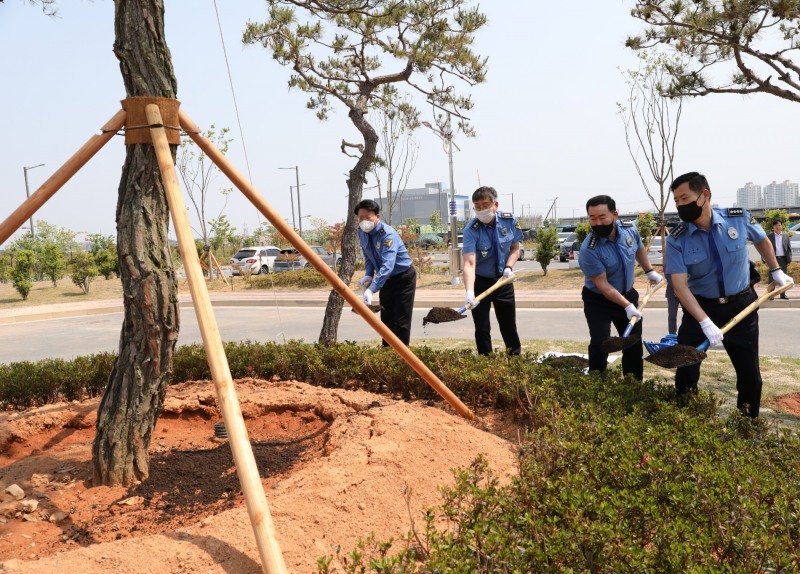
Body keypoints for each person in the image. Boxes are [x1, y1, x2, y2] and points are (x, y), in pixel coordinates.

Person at [666, 172, 794, 418]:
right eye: (676, 201)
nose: (680, 205)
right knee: (686, 372)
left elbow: (762, 241)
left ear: (704, 195)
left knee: (750, 376)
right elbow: (680, 286)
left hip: (741, 306)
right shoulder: (677, 239)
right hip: (699, 308)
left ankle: (746, 428)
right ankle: (685, 424)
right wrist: (704, 321)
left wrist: (776, 270)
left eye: (684, 198)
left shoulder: (737, 218)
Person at [578, 195, 662, 381]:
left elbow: (639, 248)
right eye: (592, 218)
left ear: (615, 215)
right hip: (598, 299)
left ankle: (632, 386)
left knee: (633, 343)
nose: (597, 223)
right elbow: (604, 286)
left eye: (602, 217)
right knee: (601, 342)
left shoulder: (629, 229)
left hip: (627, 294)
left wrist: (649, 271)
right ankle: (597, 385)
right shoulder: (589, 249)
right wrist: (627, 306)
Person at [461, 186, 522, 355]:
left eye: (485, 205)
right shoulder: (471, 229)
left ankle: (515, 361)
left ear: (495, 204)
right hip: (480, 282)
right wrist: (469, 291)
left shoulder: (509, 221)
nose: (481, 210)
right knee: (481, 328)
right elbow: (469, 263)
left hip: (503, 281)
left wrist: (509, 268)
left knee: (509, 326)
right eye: (477, 207)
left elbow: (515, 248)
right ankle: (485, 364)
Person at [355, 199, 416, 346]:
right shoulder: (361, 232)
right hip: (385, 279)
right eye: (360, 218)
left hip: (403, 278)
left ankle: (403, 358)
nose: (364, 221)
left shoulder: (388, 234)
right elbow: (368, 256)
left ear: (377, 216)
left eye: (367, 217)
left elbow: (388, 265)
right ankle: (388, 356)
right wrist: (368, 274)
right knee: (387, 320)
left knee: (401, 321)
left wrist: (371, 289)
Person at [767, 219, 792, 299]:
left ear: (782, 226)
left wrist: (789, 259)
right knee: (772, 277)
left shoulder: (785, 235)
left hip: (783, 259)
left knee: (783, 277)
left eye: (779, 225)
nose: (778, 227)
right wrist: (765, 260)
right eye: (776, 225)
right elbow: (765, 248)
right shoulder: (769, 236)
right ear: (773, 227)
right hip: (773, 259)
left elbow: (789, 248)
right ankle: (771, 295)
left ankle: (783, 294)